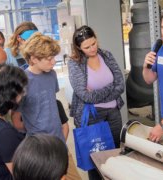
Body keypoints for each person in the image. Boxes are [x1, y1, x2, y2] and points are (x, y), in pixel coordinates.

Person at [13, 32, 81, 180]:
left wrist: (61, 135)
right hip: (40, 149)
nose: (53, 62)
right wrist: (34, 131)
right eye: (49, 59)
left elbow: (51, 103)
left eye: (54, 57)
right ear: (33, 59)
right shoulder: (22, 82)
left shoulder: (51, 75)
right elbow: (16, 120)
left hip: (59, 143)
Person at [68, 25, 124, 180]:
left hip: (113, 113)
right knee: (95, 159)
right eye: (86, 47)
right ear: (78, 48)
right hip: (92, 116)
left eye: (93, 43)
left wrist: (98, 93)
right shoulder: (75, 63)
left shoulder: (106, 55)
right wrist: (110, 89)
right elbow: (85, 96)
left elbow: (120, 84)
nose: (92, 49)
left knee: (116, 154)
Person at [0, 63, 28, 179]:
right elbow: (20, 175)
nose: (23, 94)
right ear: (10, 96)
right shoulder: (4, 133)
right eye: (21, 91)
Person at [143, 12, 163, 142]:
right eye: (162, 27)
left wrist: (162, 125)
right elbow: (149, 79)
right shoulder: (159, 48)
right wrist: (146, 66)